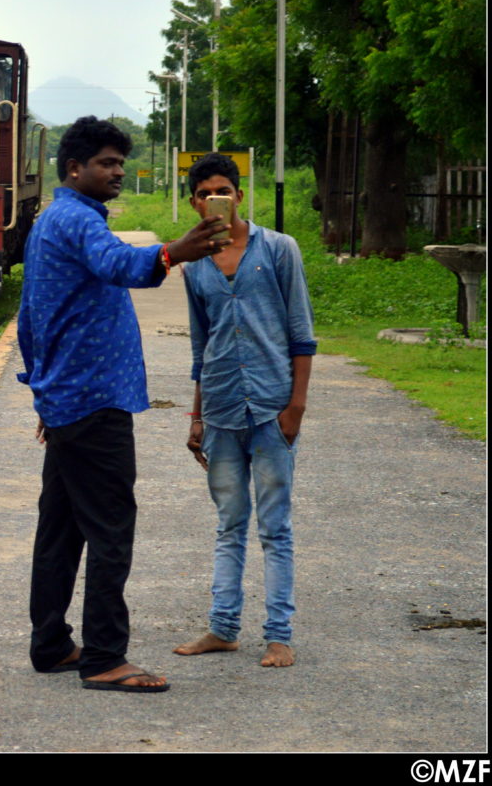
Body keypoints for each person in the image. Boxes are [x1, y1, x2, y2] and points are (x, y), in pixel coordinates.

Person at [17, 116, 230, 694]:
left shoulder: (53, 220)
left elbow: (30, 314)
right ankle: (106, 657)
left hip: (69, 399)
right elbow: (119, 265)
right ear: (74, 169)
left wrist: (43, 388)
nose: (116, 173)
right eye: (106, 163)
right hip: (93, 401)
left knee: (60, 531)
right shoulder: (77, 221)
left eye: (118, 163)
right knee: (111, 528)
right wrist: (173, 252)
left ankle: (52, 645)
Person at [173, 152, 316, 668]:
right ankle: (223, 628)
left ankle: (279, 635)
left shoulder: (278, 250)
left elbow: (301, 334)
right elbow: (200, 347)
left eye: (227, 190)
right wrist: (196, 417)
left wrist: (296, 406)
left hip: (273, 408)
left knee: (275, 526)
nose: (220, 198)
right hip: (222, 410)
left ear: (239, 195)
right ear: (195, 202)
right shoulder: (193, 268)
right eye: (208, 191)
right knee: (229, 522)